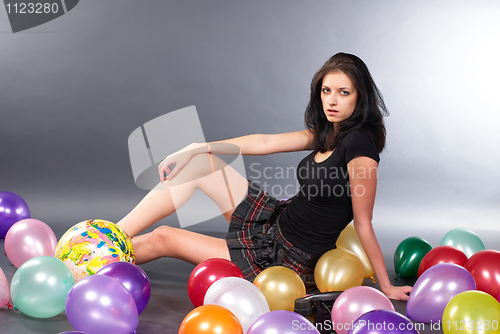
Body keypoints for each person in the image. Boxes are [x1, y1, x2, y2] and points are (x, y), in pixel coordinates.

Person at [117, 52, 412, 301]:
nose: (332, 101)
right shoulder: (329, 133)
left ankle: (95, 256)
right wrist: (196, 147)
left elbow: (363, 221)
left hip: (284, 258)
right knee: (199, 164)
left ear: (360, 97)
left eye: (343, 92)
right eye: (326, 91)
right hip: (274, 220)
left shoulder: (359, 145)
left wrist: (386, 287)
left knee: (164, 237)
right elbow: (265, 143)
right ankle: (110, 234)